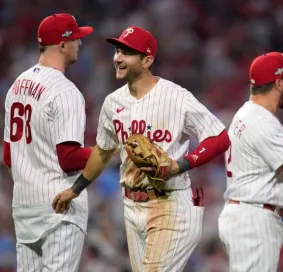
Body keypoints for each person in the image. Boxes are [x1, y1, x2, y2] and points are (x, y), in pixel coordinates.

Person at [52, 26, 230, 272]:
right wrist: (75, 189)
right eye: (117, 51)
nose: (118, 58)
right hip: (131, 207)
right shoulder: (113, 103)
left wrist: (181, 164)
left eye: (127, 53)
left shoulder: (176, 97)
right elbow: (103, 153)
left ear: (147, 60)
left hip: (171, 203)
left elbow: (219, 138)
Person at [2, 13, 94, 271]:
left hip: (25, 206)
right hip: (59, 210)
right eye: (76, 38)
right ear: (62, 45)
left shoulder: (17, 85)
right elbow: (69, 159)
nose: (80, 43)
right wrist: (108, 151)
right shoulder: (65, 92)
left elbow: (9, 155)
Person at [218, 52, 283, 272]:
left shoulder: (250, 114)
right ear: (278, 82)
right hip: (253, 218)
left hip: (247, 214)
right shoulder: (260, 121)